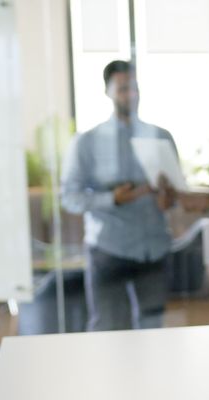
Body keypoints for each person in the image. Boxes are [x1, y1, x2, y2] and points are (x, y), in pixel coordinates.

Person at [61, 60, 181, 331]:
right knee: (109, 331)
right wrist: (113, 198)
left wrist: (167, 199)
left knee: (153, 332)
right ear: (108, 92)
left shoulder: (161, 137)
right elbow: (70, 197)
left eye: (135, 87)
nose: (131, 95)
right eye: (123, 89)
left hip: (154, 249)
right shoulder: (87, 142)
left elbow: (174, 196)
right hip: (109, 250)